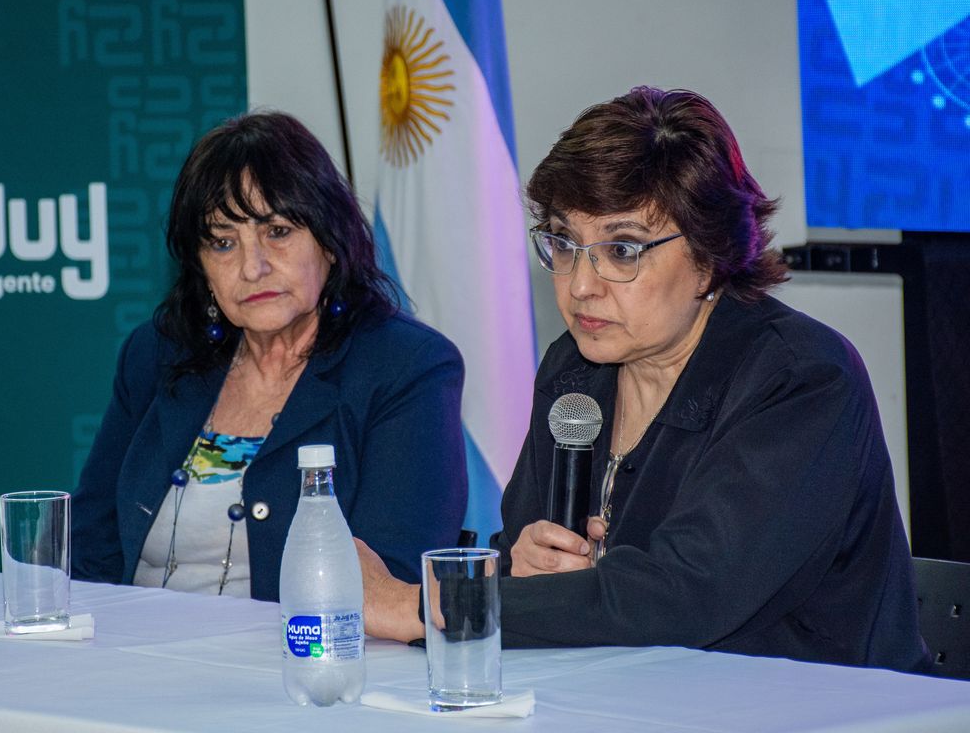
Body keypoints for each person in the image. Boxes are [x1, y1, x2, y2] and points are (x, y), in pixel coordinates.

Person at [360, 87, 930, 673]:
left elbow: (687, 593)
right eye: (564, 243)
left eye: (622, 249)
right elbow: (530, 561)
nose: (581, 285)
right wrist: (523, 564)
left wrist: (426, 606)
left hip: (829, 704)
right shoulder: (574, 369)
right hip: (633, 692)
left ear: (710, 255)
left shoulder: (801, 379)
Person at [72, 111, 468, 601]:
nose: (252, 267)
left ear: (330, 240)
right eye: (223, 243)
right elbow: (89, 548)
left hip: (305, 645)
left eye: (277, 232)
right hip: (138, 642)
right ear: (200, 268)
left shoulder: (406, 366)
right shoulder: (157, 353)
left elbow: (394, 580)